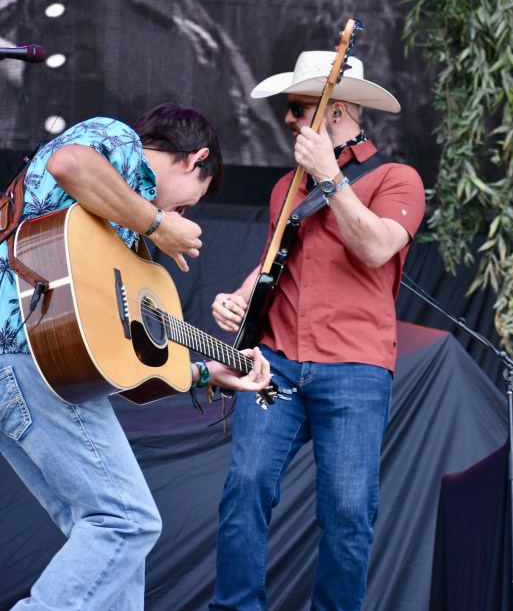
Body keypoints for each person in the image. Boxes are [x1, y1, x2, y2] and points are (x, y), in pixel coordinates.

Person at [0, 103, 274, 610]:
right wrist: (156, 224)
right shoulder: (117, 140)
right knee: (126, 522)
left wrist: (206, 372)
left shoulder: (113, 237)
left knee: (116, 543)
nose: (182, 217)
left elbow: (119, 359)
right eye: (190, 206)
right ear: (196, 160)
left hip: (26, 369)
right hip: (28, 358)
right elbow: (69, 164)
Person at [209, 51, 426, 611]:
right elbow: (275, 263)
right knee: (246, 486)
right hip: (275, 361)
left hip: (356, 367)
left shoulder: (398, 178)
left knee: (349, 511)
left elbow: (376, 248)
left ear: (338, 110)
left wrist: (331, 178)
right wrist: (239, 296)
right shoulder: (286, 187)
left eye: (299, 107)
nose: (287, 119)